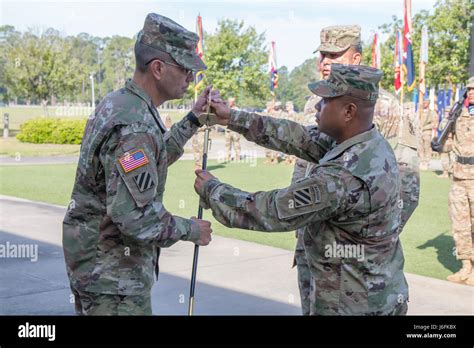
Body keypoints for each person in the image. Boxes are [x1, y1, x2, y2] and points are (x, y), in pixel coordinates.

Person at [195, 64, 409, 315]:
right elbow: (296, 136)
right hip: (377, 295)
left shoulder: (342, 176)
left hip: (354, 306)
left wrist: (213, 190)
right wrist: (231, 117)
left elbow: (272, 211)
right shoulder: (367, 144)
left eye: (325, 101)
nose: (317, 107)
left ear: (348, 112)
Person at [62, 13, 226, 315]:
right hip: (112, 278)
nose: (191, 78)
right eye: (186, 68)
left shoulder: (122, 103)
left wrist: (191, 120)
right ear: (159, 68)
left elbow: (152, 159)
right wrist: (190, 229)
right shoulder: (135, 125)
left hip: (99, 267)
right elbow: (135, 218)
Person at [294, 25, 419, 314]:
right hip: (312, 247)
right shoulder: (314, 102)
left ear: (356, 59)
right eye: (322, 54)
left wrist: (367, 244)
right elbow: (304, 170)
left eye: (334, 54)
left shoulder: (386, 107)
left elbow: (407, 187)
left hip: (356, 263)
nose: (325, 61)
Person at [446, 76, 474, 286]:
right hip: (458, 175)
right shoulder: (458, 114)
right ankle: (465, 267)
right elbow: (448, 141)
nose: (471, 92)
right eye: (469, 89)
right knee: (460, 223)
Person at [418, 99, 437, 170]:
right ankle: (421, 161)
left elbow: (434, 123)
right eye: (423, 103)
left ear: (428, 104)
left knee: (427, 147)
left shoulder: (431, 113)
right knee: (420, 147)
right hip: (419, 132)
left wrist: (424, 127)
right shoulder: (419, 112)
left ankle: (426, 162)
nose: (424, 104)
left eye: (425, 103)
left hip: (427, 132)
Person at [224, 97, 241, 162]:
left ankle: (238, 157)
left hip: (235, 130)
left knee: (237, 144)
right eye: (228, 102)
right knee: (227, 145)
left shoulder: (237, 110)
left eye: (230, 102)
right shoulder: (227, 109)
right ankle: (228, 157)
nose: (229, 103)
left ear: (233, 102)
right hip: (228, 130)